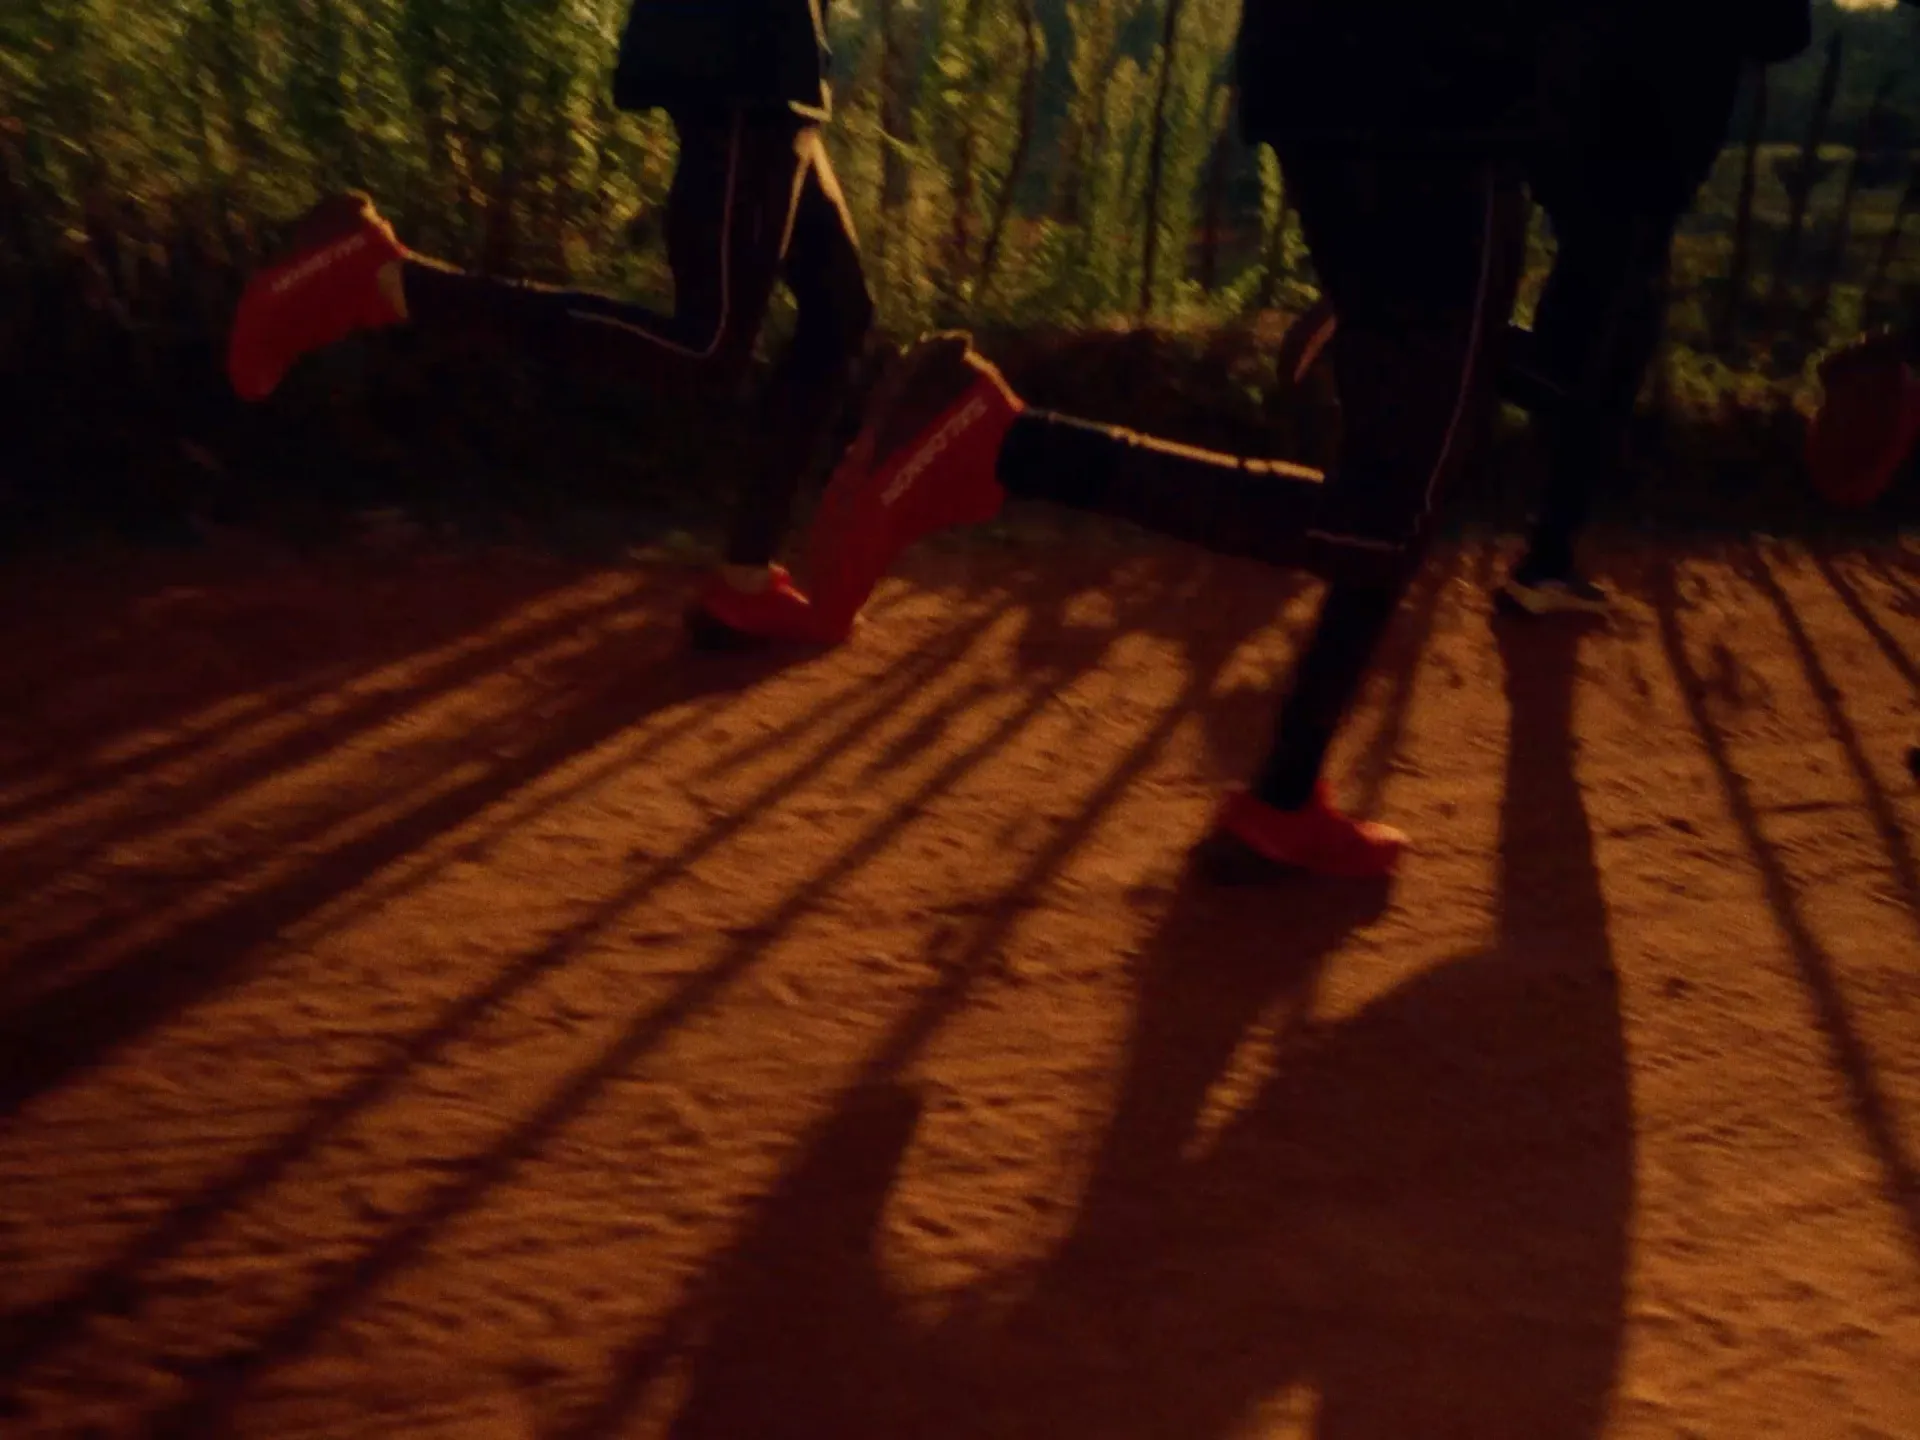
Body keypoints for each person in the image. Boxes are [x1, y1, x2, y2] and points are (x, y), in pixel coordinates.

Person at [801, 0, 1812, 881]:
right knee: (1386, 515)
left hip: (1322, 80)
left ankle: (1285, 801)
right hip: (1448, 112)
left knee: (1396, 485)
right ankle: (1007, 444)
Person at [226, 0, 873, 648]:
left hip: (777, 62)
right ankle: (383, 280)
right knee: (706, 347)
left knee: (837, 312)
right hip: (743, 57)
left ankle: (746, 581)